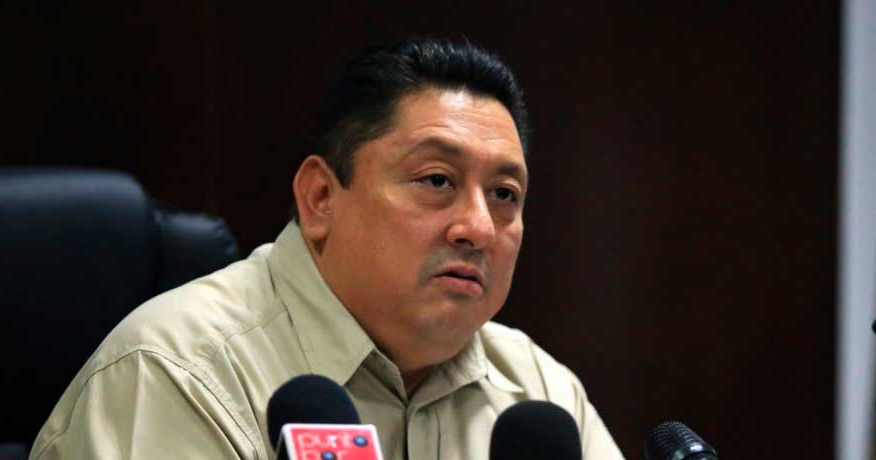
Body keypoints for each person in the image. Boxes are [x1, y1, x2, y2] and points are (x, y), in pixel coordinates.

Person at [30, 37, 624, 460]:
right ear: (320, 198)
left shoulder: (539, 392)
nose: (479, 228)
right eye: (437, 180)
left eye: (504, 194)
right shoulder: (177, 373)